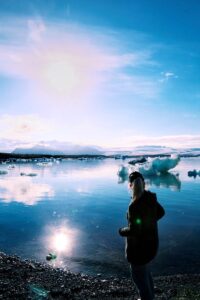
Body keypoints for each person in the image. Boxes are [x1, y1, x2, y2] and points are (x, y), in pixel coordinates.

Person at [119, 171, 165, 300]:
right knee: (146, 274)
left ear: (130, 186)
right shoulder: (150, 197)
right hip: (151, 246)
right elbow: (161, 212)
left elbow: (134, 231)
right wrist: (149, 224)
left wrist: (121, 231)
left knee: (139, 279)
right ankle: (151, 297)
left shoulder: (134, 206)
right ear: (144, 183)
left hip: (138, 250)